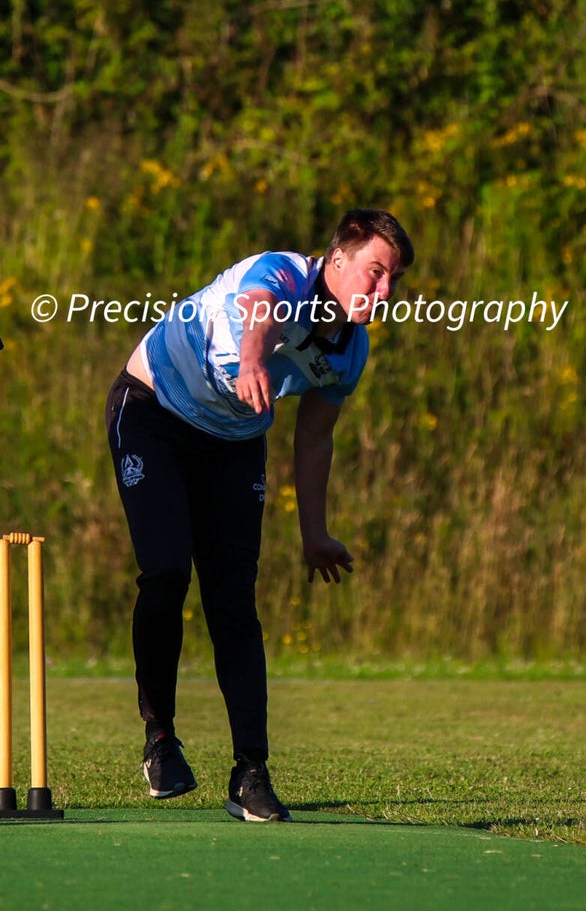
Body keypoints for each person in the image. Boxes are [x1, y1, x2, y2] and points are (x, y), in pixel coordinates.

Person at [106, 208, 413, 822]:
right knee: (165, 573)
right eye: (375, 272)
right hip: (153, 411)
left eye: (394, 282)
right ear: (338, 259)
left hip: (235, 441)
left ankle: (250, 772)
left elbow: (315, 439)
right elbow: (258, 315)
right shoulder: (281, 275)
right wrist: (252, 361)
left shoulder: (351, 351)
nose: (383, 293)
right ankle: (160, 739)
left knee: (233, 601)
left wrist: (314, 535)